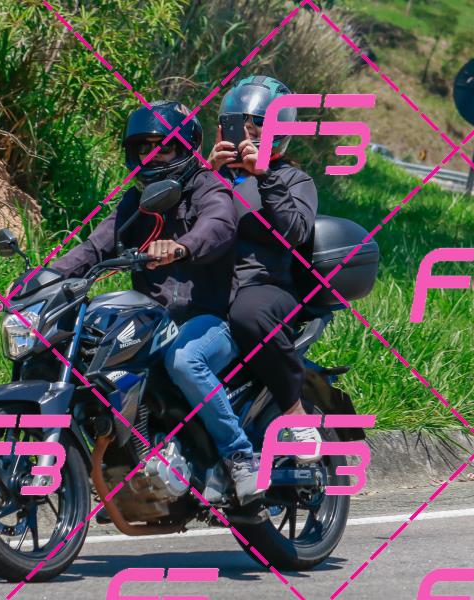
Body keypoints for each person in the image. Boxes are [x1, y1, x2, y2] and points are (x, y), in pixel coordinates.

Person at [51, 101, 265, 505]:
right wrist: (44, 278)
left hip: (212, 319)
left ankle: (239, 456)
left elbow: (218, 226)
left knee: (185, 360)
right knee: (95, 359)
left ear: (184, 147)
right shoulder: (137, 204)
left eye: (163, 147)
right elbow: (94, 248)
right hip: (156, 321)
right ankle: (124, 468)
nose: (153, 155)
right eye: (144, 147)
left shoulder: (208, 187)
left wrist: (183, 247)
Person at [208, 75, 323, 463]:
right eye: (239, 124)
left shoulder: (293, 179)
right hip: (210, 284)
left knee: (248, 313)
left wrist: (264, 177)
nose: (248, 134)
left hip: (265, 286)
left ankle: (293, 411)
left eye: (259, 126)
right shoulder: (210, 175)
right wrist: (205, 175)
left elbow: (295, 232)